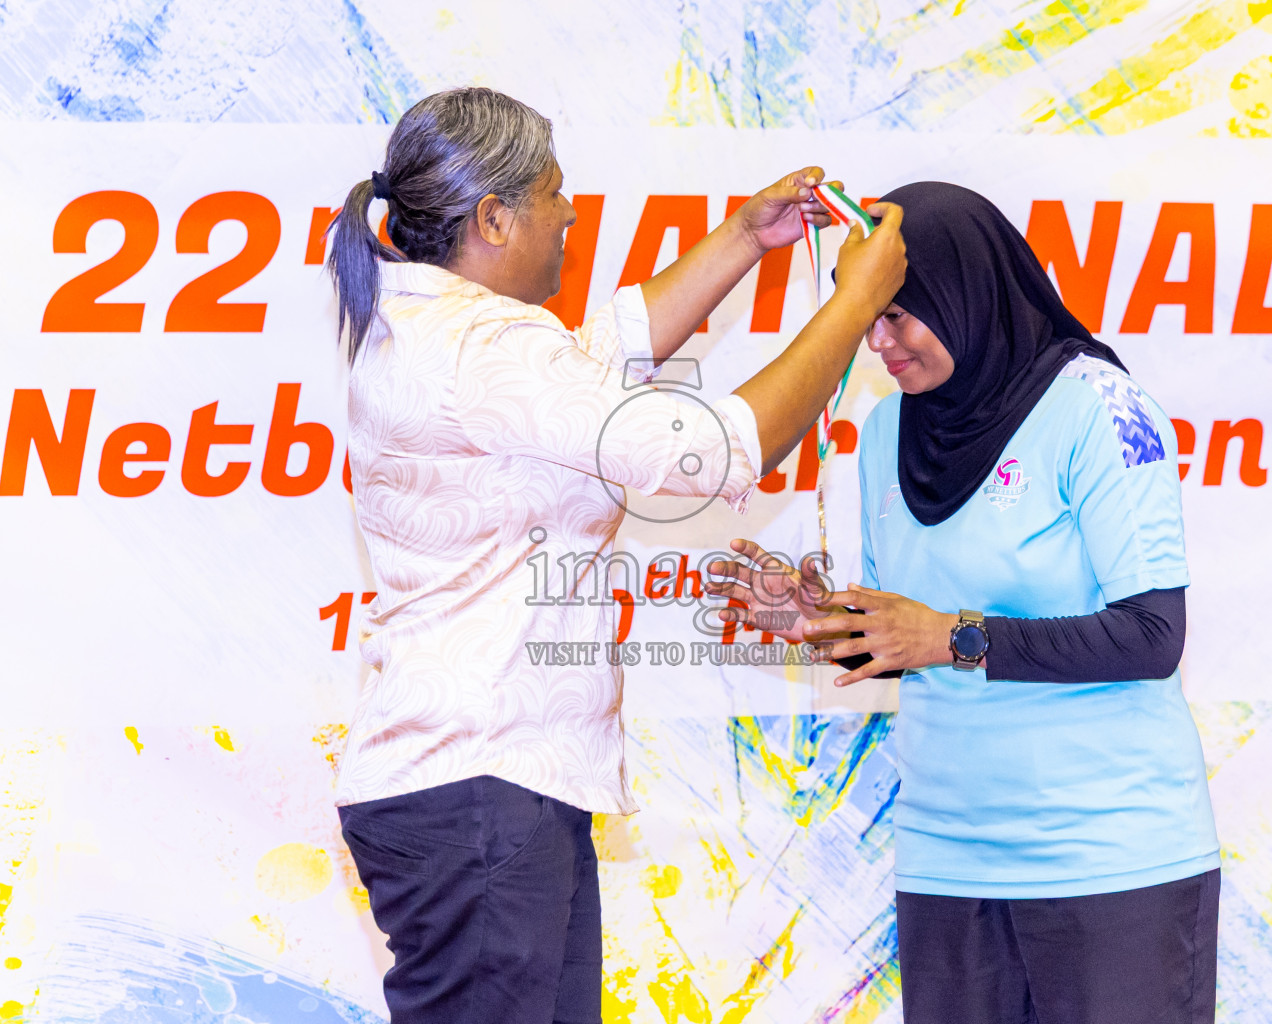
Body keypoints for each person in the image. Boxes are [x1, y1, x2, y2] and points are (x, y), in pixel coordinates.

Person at [323, 87, 905, 1024]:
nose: (571, 213)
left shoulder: (444, 330)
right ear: (494, 217)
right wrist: (854, 302)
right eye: (555, 194)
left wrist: (744, 239)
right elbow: (715, 449)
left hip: (485, 790)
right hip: (480, 793)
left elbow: (595, 365)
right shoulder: (481, 348)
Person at [708, 182, 1220, 1024]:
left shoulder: (1098, 407)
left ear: (964, 293)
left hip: (1110, 861)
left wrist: (953, 637)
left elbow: (1152, 636)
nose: (879, 345)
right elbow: (908, 639)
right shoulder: (884, 433)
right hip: (948, 865)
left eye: (898, 316)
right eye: (866, 318)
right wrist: (823, 630)